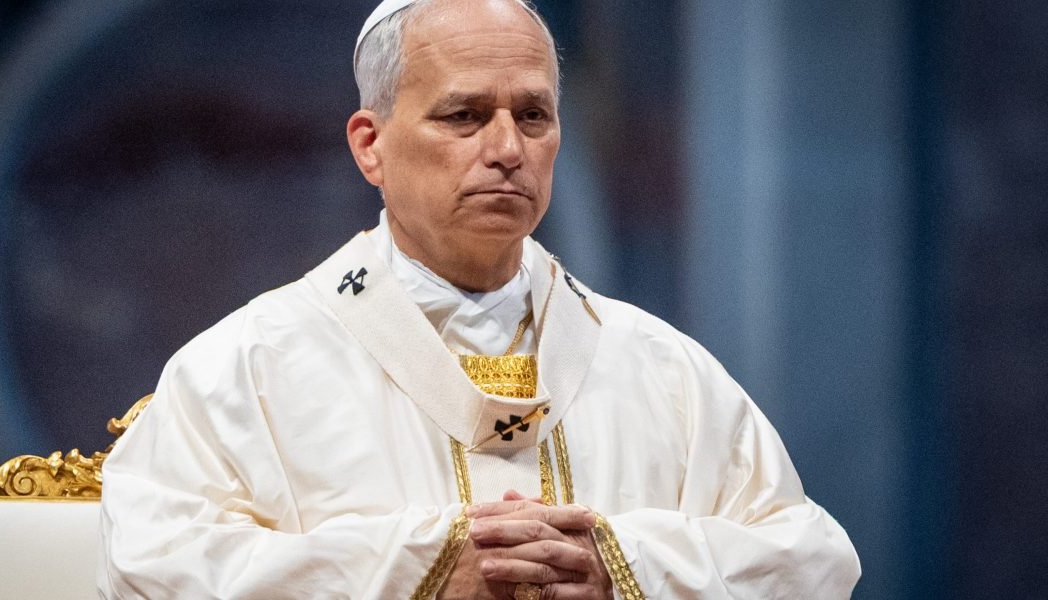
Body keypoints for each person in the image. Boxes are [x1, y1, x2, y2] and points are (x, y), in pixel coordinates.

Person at [97, 0, 861, 598]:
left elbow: (814, 561)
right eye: (463, 115)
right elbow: (147, 568)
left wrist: (625, 567)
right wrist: (423, 570)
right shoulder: (245, 369)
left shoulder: (664, 372)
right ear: (370, 144)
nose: (506, 149)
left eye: (533, 115)